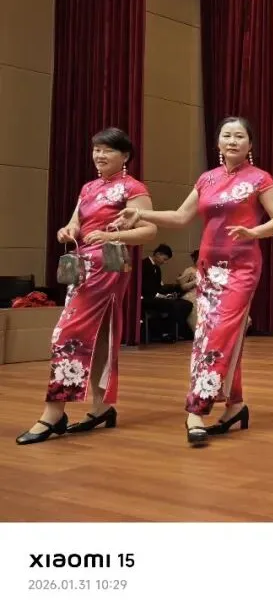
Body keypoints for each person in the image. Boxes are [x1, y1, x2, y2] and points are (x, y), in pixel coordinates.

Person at [114, 117, 273, 446]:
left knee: (218, 335)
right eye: (227, 135)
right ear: (218, 142)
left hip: (241, 267)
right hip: (208, 269)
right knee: (210, 335)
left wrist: (254, 232)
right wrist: (142, 214)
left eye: (240, 136)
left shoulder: (259, 178)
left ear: (250, 145)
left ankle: (196, 409)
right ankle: (235, 406)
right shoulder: (207, 179)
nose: (233, 141)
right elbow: (180, 217)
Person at [16, 128, 157, 445]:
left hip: (108, 265)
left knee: (66, 334)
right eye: (96, 149)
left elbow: (149, 231)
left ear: (125, 156)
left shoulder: (133, 188)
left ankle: (54, 412)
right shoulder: (88, 187)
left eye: (107, 150)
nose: (99, 155)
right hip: (82, 267)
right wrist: (67, 231)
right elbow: (75, 223)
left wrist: (110, 235)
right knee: (102, 336)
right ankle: (102, 408)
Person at [141, 243, 192, 341]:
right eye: (164, 259)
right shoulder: (144, 265)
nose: (165, 262)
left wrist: (168, 293)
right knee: (173, 305)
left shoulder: (157, 268)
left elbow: (159, 287)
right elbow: (146, 288)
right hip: (147, 297)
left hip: (155, 296)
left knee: (186, 304)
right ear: (158, 254)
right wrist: (163, 296)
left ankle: (177, 331)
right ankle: (168, 332)